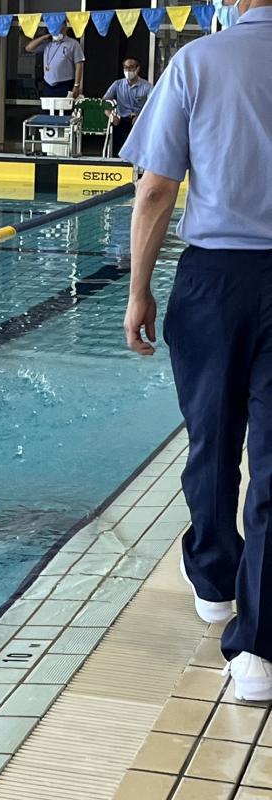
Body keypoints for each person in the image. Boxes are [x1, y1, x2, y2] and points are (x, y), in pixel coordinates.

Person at [120, 0, 272, 701]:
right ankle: (256, 652)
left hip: (214, 278)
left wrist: (138, 292)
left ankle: (214, 581)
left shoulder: (196, 62)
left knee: (212, 439)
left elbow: (155, 188)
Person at [103, 57, 152, 157]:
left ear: (137, 69)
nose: (128, 70)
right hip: (121, 119)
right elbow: (104, 103)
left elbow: (153, 105)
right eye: (125, 67)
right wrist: (111, 115)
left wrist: (141, 116)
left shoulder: (147, 86)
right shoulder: (117, 84)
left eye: (131, 67)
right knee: (117, 137)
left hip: (139, 120)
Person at [25, 22, 84, 99]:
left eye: (61, 28)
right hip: (48, 84)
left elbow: (79, 65)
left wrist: (76, 85)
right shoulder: (47, 43)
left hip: (65, 83)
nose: (58, 31)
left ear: (66, 28)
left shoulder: (73, 43)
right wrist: (44, 37)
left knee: (64, 106)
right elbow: (29, 48)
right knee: (48, 106)